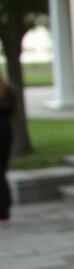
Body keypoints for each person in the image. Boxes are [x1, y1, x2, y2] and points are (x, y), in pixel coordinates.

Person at [0, 66, 14, 226]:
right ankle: (4, 210)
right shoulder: (8, 90)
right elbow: (12, 111)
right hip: (6, 133)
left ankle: (2, 210)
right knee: (2, 171)